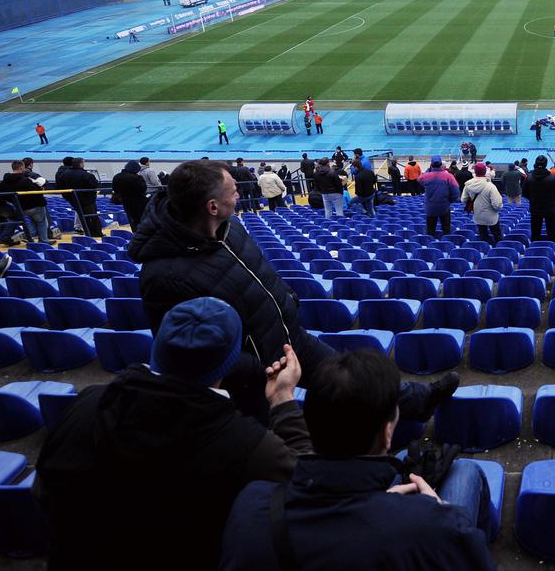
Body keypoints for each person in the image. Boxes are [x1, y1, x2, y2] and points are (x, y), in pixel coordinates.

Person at [131, 160, 458, 422]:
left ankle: (418, 401)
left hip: (287, 338)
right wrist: (263, 370)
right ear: (212, 206)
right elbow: (186, 349)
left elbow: (255, 271)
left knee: (351, 379)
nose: (239, 196)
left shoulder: (228, 229)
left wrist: (285, 294)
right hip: (254, 376)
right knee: (266, 442)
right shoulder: (163, 275)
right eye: (232, 192)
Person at [35, 298, 313, 571]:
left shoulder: (88, 403)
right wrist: (282, 398)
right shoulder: (248, 446)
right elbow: (309, 485)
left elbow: (45, 488)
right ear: (229, 362)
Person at [222, 348, 494, 570]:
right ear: (388, 433)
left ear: (313, 423)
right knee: (464, 470)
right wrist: (439, 512)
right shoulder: (435, 530)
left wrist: (281, 398)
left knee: (403, 461)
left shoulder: (251, 507)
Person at [1, 160, 49, 243]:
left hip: (20, 206)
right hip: (34, 206)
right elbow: (36, 193)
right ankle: (43, 241)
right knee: (41, 222)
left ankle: (29, 236)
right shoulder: (25, 180)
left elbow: (5, 195)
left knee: (33, 222)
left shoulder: (5, 182)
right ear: (21, 167)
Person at [59, 156, 102, 237]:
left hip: (74, 200)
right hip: (88, 201)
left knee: (84, 219)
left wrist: (68, 198)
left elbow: (61, 187)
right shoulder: (86, 175)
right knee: (93, 218)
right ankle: (97, 234)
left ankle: (88, 234)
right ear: (81, 164)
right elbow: (94, 184)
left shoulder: (64, 174)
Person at [522, 155, 555, 241]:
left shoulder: (529, 178)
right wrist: (553, 199)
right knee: (552, 232)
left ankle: (534, 250)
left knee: (535, 232)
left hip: (535, 207)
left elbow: (524, 193)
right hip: (550, 208)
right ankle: (552, 247)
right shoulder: (552, 178)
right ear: (546, 164)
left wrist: (533, 198)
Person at [462, 163, 503, 245]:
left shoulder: (468, 184)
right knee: (497, 234)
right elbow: (497, 204)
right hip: (491, 216)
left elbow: (463, 199)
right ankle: (498, 250)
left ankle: (485, 250)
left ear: (475, 171)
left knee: (483, 235)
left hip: (478, 215)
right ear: (485, 172)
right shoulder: (490, 186)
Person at [419, 157, 459, 237]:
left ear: (431, 165)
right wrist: (449, 200)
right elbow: (456, 191)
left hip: (430, 207)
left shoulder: (426, 176)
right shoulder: (449, 176)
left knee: (430, 230)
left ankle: (430, 245)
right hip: (444, 207)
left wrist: (429, 170)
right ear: (441, 165)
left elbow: (419, 179)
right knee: (446, 229)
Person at [112, 160, 149, 230]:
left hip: (125, 202)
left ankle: (135, 233)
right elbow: (143, 188)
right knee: (142, 220)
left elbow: (115, 189)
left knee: (132, 219)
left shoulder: (117, 177)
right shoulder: (136, 178)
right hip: (139, 202)